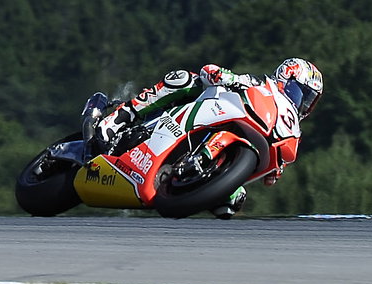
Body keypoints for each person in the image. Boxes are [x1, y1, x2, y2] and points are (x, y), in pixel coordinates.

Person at [92, 58, 323, 218]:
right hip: (198, 116)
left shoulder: (287, 125)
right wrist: (224, 76)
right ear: (286, 77)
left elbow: (270, 178)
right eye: (302, 94)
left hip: (227, 153)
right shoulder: (257, 84)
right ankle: (122, 116)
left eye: (309, 101)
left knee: (232, 204)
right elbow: (209, 71)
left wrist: (275, 169)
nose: (303, 103)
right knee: (184, 79)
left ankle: (195, 184)